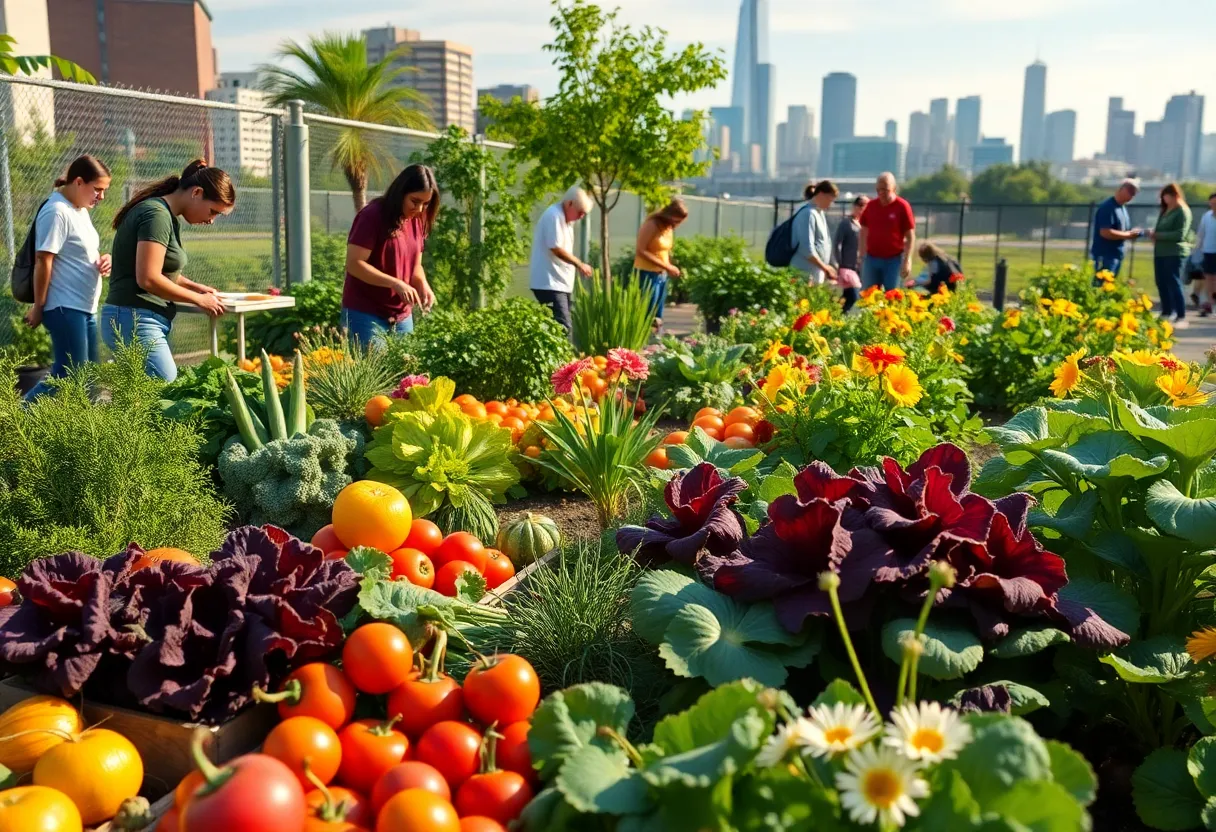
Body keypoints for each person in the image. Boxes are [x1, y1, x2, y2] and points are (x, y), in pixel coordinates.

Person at [102, 160, 233, 382]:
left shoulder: (166, 216)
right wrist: (200, 300)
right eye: (213, 211)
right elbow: (148, 279)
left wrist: (196, 288)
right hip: (135, 318)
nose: (211, 220)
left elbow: (161, 272)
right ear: (197, 192)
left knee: (143, 398)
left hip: (140, 318)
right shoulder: (157, 215)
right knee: (165, 385)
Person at [21, 155, 113, 401]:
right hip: (64, 307)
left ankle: (87, 433)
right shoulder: (56, 211)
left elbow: (80, 252)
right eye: (98, 189)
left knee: (90, 379)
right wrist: (39, 307)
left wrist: (104, 259)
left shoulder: (80, 210)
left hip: (84, 308)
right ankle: (16, 419)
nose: (101, 197)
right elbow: (44, 260)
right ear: (79, 182)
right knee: (69, 375)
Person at [342, 164, 439, 348]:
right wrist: (395, 283)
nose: (419, 209)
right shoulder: (372, 216)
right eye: (415, 201)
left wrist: (422, 284)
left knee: (407, 374)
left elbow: (415, 266)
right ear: (400, 192)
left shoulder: (416, 221)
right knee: (374, 375)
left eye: (426, 204)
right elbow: (355, 263)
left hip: (402, 316)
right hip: (366, 314)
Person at [530, 185, 594, 334]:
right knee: (562, 327)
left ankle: (555, 356)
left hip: (559, 283)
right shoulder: (554, 216)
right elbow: (556, 248)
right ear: (570, 203)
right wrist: (579, 264)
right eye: (580, 212)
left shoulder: (566, 220)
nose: (581, 217)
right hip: (549, 283)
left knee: (555, 327)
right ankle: (561, 357)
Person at [632, 198, 688, 332]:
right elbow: (641, 250)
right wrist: (667, 267)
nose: (678, 224)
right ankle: (644, 344)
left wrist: (669, 267)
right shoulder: (652, 224)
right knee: (647, 313)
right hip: (646, 273)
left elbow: (664, 251)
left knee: (658, 314)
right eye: (676, 220)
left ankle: (656, 344)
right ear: (668, 214)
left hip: (661, 275)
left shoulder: (668, 228)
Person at [858, 172, 916, 290]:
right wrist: (862, 254)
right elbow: (863, 231)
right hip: (871, 259)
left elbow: (910, 236)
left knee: (892, 295)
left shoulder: (902, 206)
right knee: (868, 295)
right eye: (878, 190)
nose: (881, 193)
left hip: (893, 260)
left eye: (885, 189)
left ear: (894, 188)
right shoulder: (871, 206)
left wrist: (907, 260)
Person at [1148, 183, 1192, 326]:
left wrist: (1158, 235)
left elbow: (1180, 234)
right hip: (1161, 252)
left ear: (1174, 195)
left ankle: (1181, 314)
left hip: (1174, 253)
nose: (1164, 200)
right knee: (1161, 281)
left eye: (1166, 196)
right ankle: (1166, 311)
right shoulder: (1166, 210)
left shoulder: (1182, 211)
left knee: (1174, 282)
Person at [1090, 178, 1142, 282]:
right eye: (1130, 191)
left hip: (1116, 255)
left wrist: (1133, 232)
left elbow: (1123, 230)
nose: (1132, 196)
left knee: (1109, 288)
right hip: (1105, 255)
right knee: (1100, 286)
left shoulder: (1122, 208)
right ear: (1122, 189)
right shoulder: (1108, 207)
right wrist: (1128, 235)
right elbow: (1105, 232)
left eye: (1134, 193)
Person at [791, 180, 838, 285]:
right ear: (821, 194)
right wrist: (825, 267)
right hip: (804, 273)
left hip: (815, 274)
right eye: (830, 200)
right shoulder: (808, 214)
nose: (830, 204)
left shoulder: (818, 213)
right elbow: (807, 249)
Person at [831, 195, 867, 312]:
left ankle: (834, 315)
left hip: (860, 268)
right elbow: (837, 244)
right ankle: (837, 315)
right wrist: (839, 264)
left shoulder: (865, 225)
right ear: (854, 206)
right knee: (853, 296)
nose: (863, 209)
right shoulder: (846, 223)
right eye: (861, 205)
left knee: (847, 297)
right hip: (847, 267)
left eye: (866, 206)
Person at [1197, 193, 1216, 317]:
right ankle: (1211, 303)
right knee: (1209, 278)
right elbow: (1201, 234)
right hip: (1208, 252)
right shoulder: (1206, 216)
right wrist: (1197, 250)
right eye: (1212, 203)